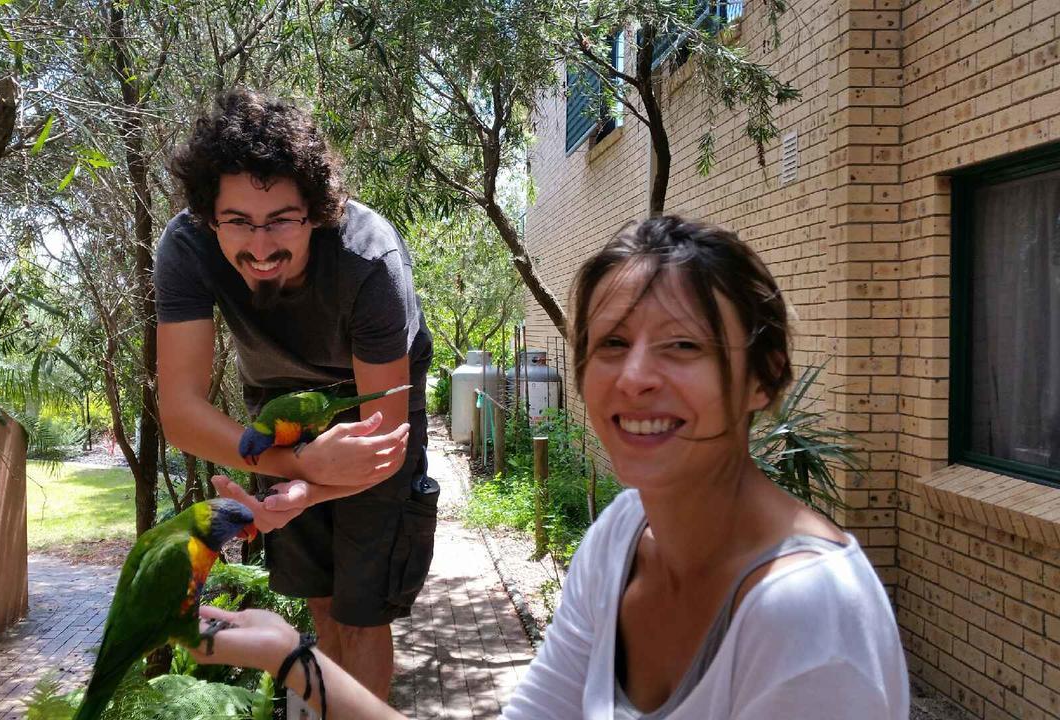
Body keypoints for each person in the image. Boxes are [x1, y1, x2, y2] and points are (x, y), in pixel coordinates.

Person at [187, 215, 910, 719]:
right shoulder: (624, 535)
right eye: (611, 343)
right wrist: (289, 658)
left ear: (764, 375)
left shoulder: (812, 615)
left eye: (682, 347)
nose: (634, 378)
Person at [155, 88, 436, 700]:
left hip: (371, 405)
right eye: (238, 221)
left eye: (282, 219)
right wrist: (301, 469)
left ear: (317, 210)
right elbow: (179, 413)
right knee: (325, 605)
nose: (260, 246)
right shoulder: (186, 247)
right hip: (278, 413)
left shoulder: (369, 259)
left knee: (362, 613)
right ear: (208, 216)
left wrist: (305, 488)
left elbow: (382, 444)